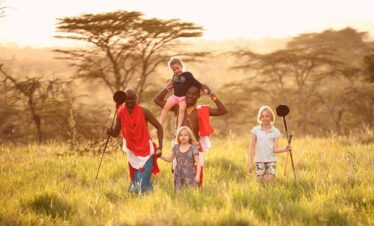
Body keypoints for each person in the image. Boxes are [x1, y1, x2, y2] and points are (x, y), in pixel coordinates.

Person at [153, 84, 227, 186]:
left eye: (194, 94)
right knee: (179, 178)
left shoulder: (202, 109)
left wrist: (211, 94)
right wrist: (168, 87)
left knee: (197, 180)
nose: (191, 96)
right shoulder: (177, 107)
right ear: (184, 94)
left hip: (195, 147)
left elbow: (222, 110)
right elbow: (157, 100)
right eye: (188, 93)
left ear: (198, 96)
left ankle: (195, 197)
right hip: (179, 147)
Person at [106, 88, 163, 194]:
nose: (129, 101)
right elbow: (116, 133)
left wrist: (160, 147)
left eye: (132, 99)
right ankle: (150, 201)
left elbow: (159, 127)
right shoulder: (121, 114)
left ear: (136, 98)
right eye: (127, 99)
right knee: (136, 186)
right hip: (132, 152)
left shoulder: (144, 111)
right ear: (123, 100)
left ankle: (146, 199)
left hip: (147, 150)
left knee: (141, 183)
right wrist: (110, 132)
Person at [159, 57, 210, 129]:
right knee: (165, 108)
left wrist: (203, 88)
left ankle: (179, 127)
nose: (176, 71)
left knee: (182, 110)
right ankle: (160, 124)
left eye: (178, 68)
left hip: (183, 98)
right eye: (174, 70)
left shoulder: (188, 75)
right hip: (175, 97)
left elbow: (196, 82)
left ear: (181, 66)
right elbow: (173, 83)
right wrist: (169, 82)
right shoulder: (174, 76)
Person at [248, 106, 292, 183]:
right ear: (260, 118)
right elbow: (252, 147)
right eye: (262, 116)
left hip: (271, 161)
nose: (264, 118)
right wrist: (250, 163)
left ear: (271, 117)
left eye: (267, 116)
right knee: (260, 182)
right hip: (259, 161)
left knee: (270, 181)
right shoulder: (256, 130)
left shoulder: (275, 132)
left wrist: (285, 149)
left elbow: (275, 149)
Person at [160, 126, 201, 192]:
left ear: (189, 136)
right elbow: (170, 159)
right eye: (181, 135)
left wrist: (198, 175)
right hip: (178, 174)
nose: (183, 137)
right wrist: (160, 155)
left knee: (190, 192)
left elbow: (198, 163)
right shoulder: (176, 147)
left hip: (190, 174)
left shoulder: (193, 148)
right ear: (178, 137)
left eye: (185, 135)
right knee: (179, 193)